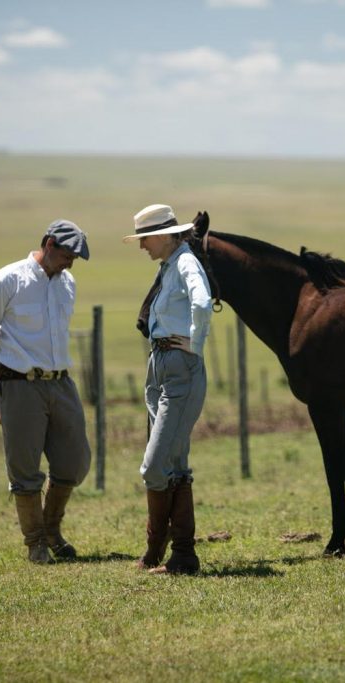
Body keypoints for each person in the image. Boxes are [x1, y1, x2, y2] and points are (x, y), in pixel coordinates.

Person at [0, 219, 92, 564]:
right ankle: (37, 542)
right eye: (68, 254)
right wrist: (6, 375)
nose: (71, 262)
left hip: (61, 382)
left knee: (75, 461)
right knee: (25, 469)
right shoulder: (6, 280)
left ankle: (52, 529)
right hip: (20, 384)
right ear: (50, 244)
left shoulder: (68, 284)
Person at [123, 204, 213, 575]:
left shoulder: (186, 263)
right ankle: (182, 557)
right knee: (174, 463)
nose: (142, 247)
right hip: (161, 366)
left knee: (154, 467)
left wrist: (196, 342)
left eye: (145, 239)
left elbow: (203, 303)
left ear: (162, 235)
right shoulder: (170, 266)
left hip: (179, 368)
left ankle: (158, 547)